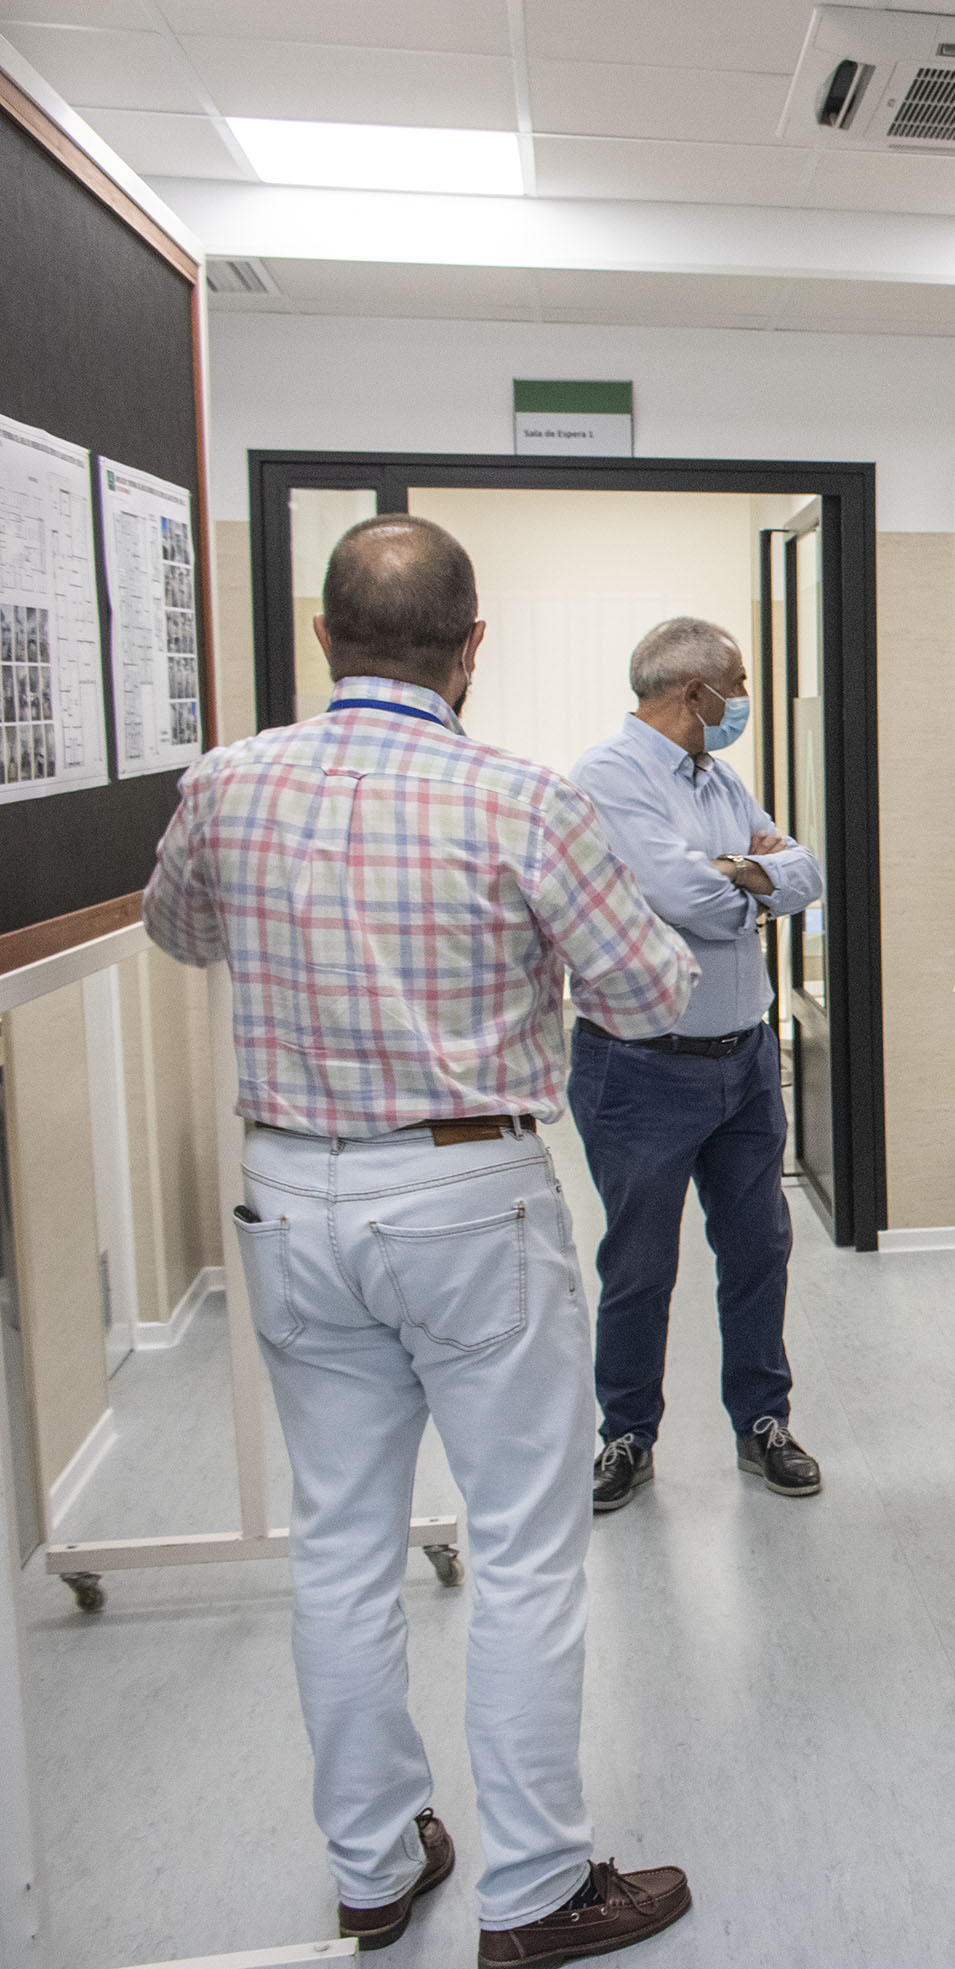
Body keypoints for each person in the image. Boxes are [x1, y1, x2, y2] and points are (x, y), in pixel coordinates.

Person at [141, 514, 696, 1962]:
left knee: (339, 1540)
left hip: (289, 1193)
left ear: (325, 636)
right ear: (472, 648)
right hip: (463, 1197)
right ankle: (534, 1888)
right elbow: (650, 992)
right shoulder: (521, 801)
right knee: (521, 1546)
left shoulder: (227, 783)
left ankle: (376, 1865)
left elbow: (179, 932)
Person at [572, 618, 825, 1515]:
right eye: (739, 684)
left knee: (759, 1249)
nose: (743, 699)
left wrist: (738, 873)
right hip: (640, 1068)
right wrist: (752, 880)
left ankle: (763, 1421)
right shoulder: (608, 777)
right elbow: (684, 896)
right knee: (640, 1265)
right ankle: (627, 1435)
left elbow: (807, 874)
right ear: (696, 692)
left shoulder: (718, 777)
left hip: (744, 1060)